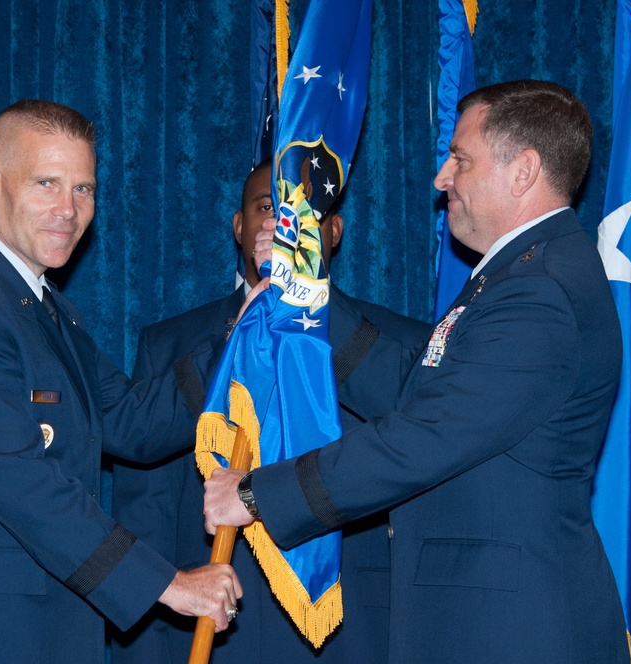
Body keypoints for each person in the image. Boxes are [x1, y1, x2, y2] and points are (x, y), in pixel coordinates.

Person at [205, 79, 631, 662]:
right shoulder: (519, 276)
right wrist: (307, 291)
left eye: (460, 159)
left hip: (507, 630)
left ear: (523, 170)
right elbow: (421, 386)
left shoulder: (540, 291)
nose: (442, 179)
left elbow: (425, 435)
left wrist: (258, 495)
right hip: (484, 618)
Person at [0, 99, 242, 664]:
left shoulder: (47, 309)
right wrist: (167, 584)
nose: (68, 210)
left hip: (56, 627)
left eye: (84, 189)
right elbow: (27, 487)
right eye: (47, 183)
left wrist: (243, 336)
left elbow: (132, 422)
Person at [110, 159, 431, 662]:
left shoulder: (398, 344)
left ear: (334, 231)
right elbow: (144, 516)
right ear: (239, 227)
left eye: (299, 212)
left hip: (352, 632)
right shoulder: (171, 344)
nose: (280, 227)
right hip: (210, 632)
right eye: (265, 208)